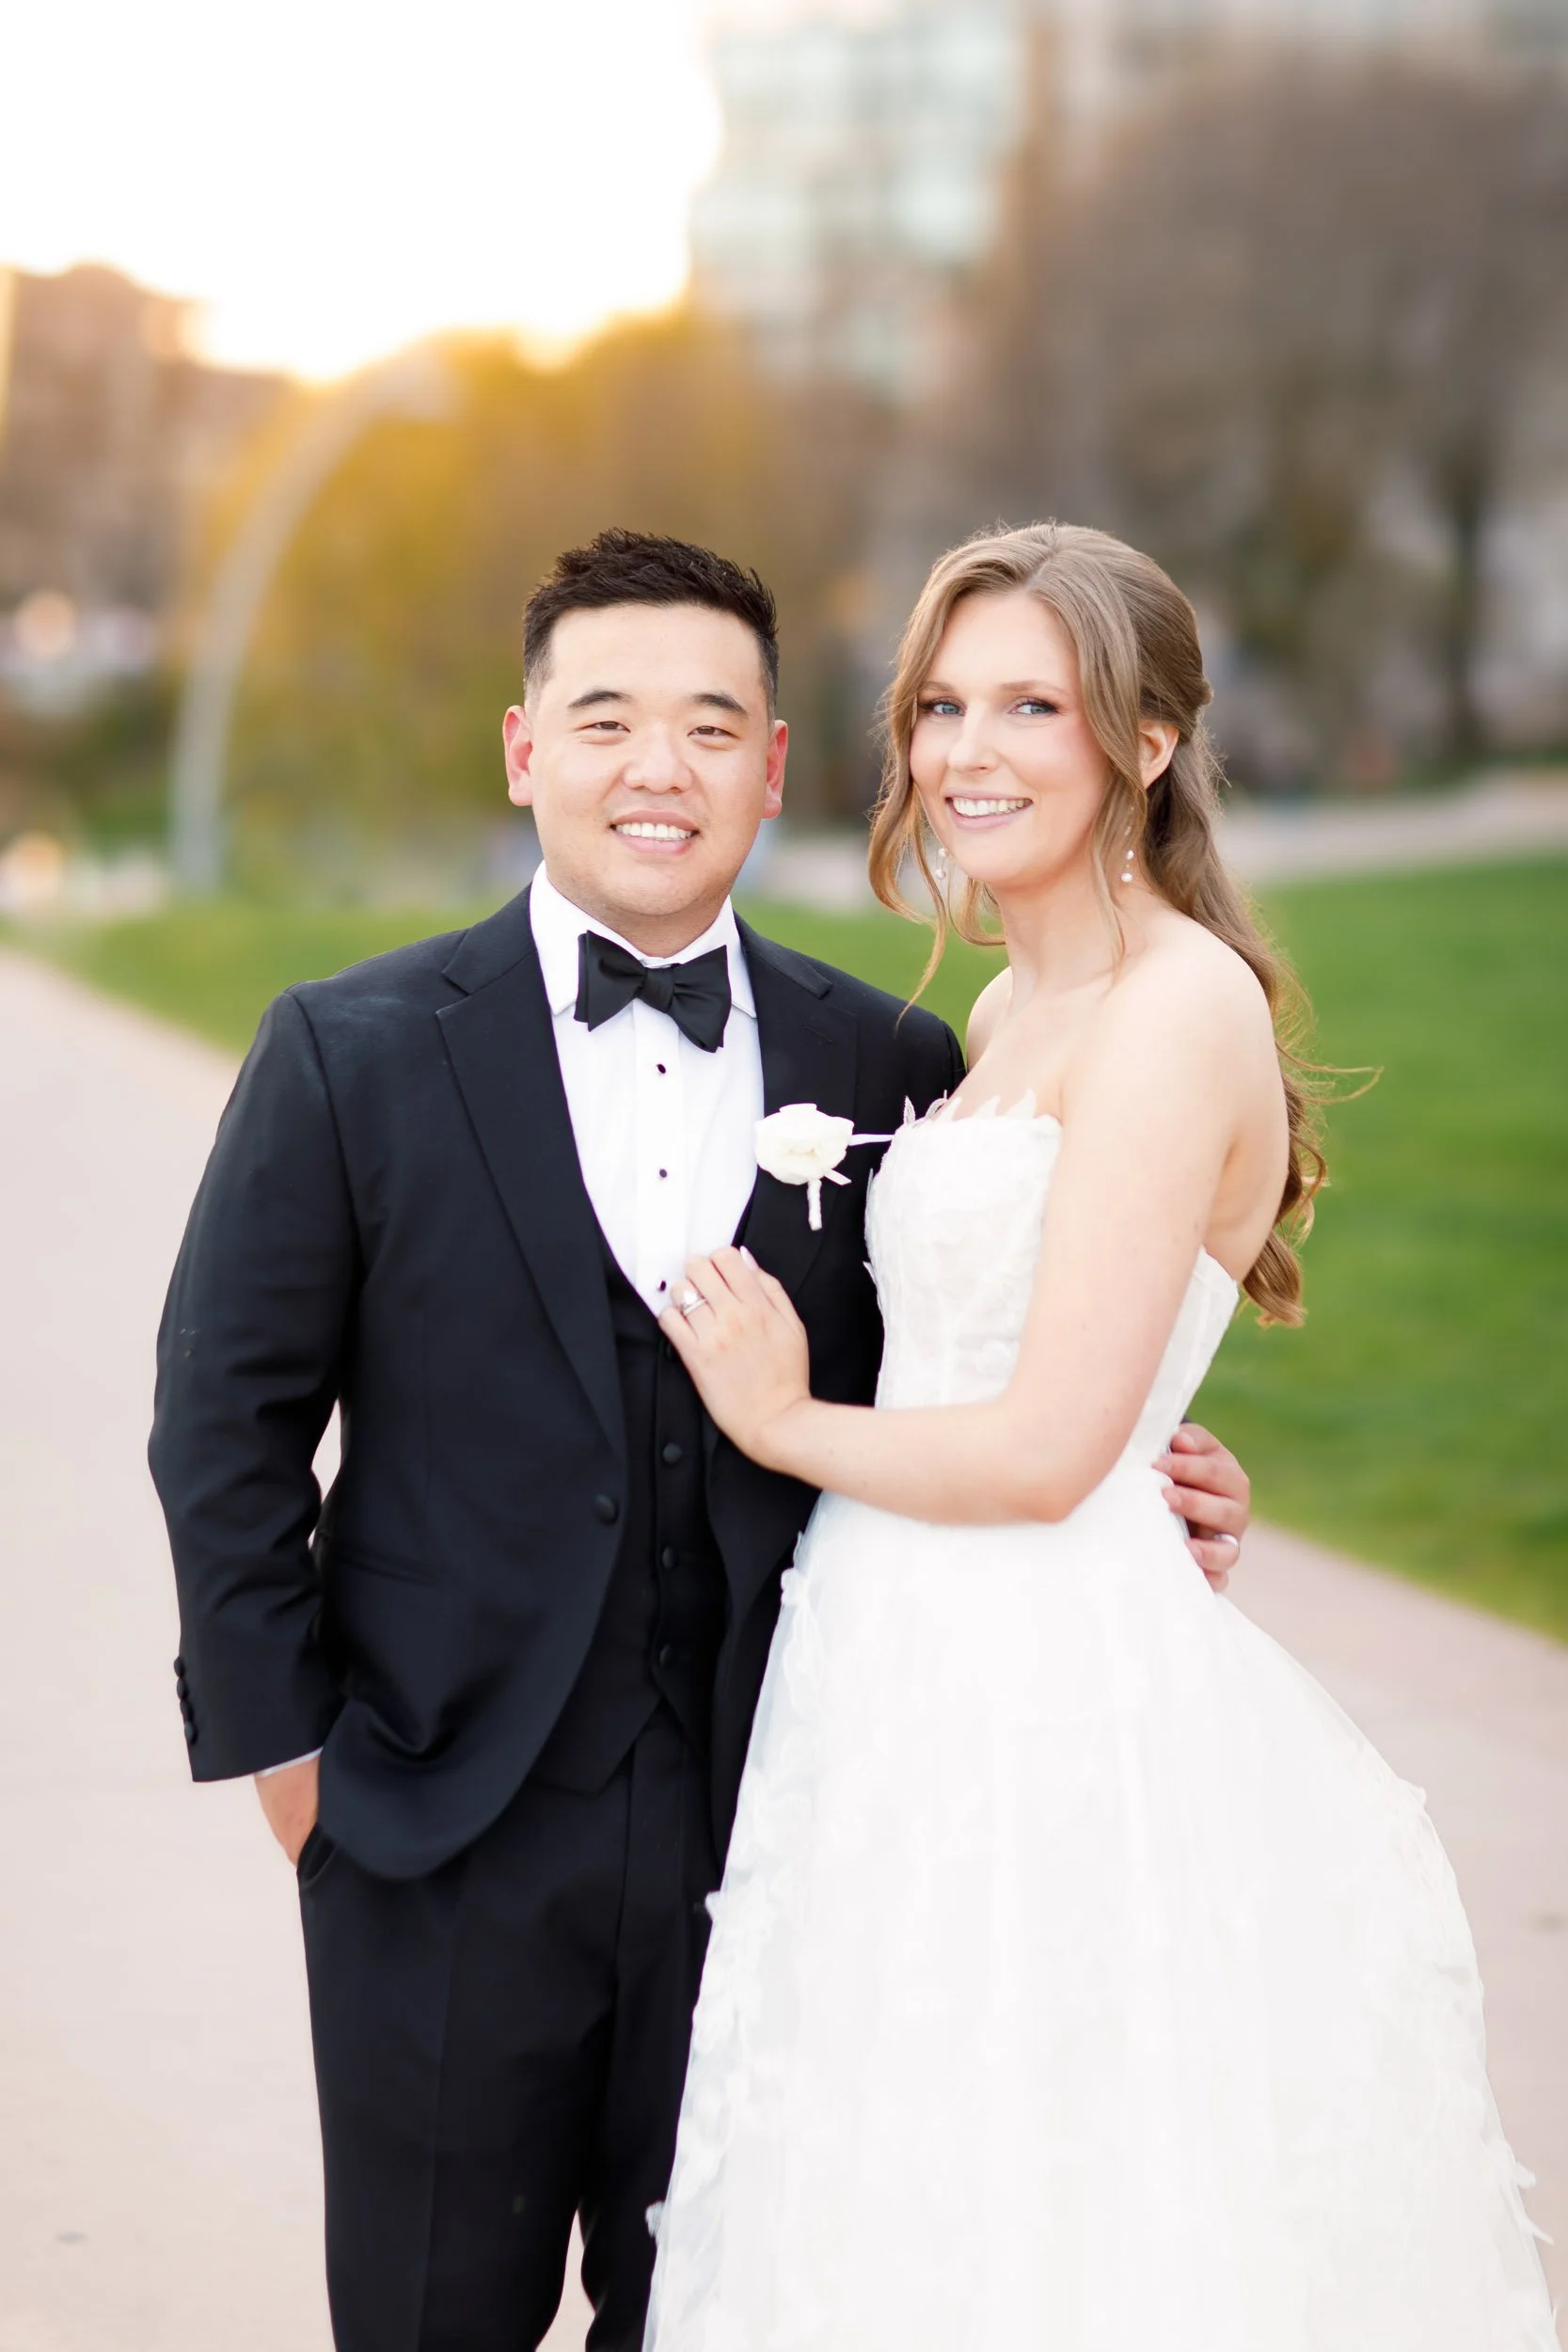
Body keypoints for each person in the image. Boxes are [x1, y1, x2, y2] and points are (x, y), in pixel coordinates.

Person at [148, 529, 1253, 2352]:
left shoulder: (895, 1054)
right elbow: (224, 1427)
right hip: (439, 1837)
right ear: (524, 753)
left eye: (706, 725)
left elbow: (996, 1370)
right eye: (603, 721)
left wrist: (1154, 1464)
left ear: (776, 764)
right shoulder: (345, 1052)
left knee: (748, 2310)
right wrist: (302, 1781)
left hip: (790, 1828)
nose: (654, 769)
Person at [644, 523, 1558, 2352]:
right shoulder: (1005, 1003)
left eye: (1026, 706)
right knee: (893, 2174)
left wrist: (775, 1412)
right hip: (892, 1658)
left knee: (1055, 2175)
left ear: (1140, 742)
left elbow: (1052, 1442)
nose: (964, 752)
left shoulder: (1175, 1002)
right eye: (938, 705)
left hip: (1037, 1678)